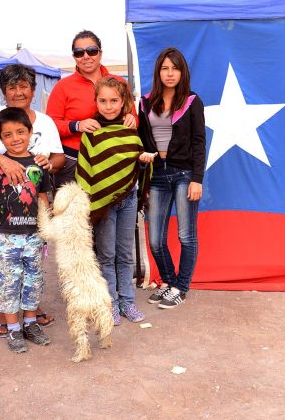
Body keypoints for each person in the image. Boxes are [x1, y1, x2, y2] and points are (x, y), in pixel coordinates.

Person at [0, 64, 63, 337]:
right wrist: (4, 161)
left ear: (33, 90)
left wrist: (48, 163)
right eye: (12, 87)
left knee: (32, 262)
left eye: (24, 86)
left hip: (34, 203)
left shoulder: (45, 121)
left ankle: (29, 315)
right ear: (3, 92)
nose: (18, 92)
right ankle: (4, 314)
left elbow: (58, 157)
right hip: (1, 207)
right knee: (1, 265)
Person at [76, 76, 153, 325]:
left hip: (129, 199)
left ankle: (128, 302)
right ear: (96, 102)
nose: (108, 106)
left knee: (125, 254)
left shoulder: (131, 129)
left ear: (124, 103)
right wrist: (88, 203)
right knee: (106, 255)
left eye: (114, 101)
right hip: (103, 205)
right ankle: (110, 304)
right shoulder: (92, 134)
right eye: (103, 101)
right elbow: (86, 171)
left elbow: (135, 158)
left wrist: (142, 162)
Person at [0, 108, 53, 353]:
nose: (15, 138)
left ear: (31, 132)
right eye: (7, 134)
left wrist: (47, 229)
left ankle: (30, 323)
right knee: (8, 282)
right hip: (4, 236)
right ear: (0, 138)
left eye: (21, 132)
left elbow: (43, 199)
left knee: (33, 280)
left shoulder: (39, 164)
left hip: (34, 236)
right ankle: (13, 328)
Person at [137, 48, 206, 309]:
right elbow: (141, 140)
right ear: (158, 71)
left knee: (186, 235)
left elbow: (199, 142)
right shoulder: (145, 102)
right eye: (165, 68)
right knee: (155, 238)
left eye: (174, 68)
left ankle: (180, 287)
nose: (169, 73)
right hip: (157, 174)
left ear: (182, 72)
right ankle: (168, 281)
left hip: (184, 174)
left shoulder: (192, 101)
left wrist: (197, 178)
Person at [46, 30, 138, 188]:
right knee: (72, 211)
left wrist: (132, 119)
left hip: (112, 159)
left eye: (92, 51)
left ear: (100, 53)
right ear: (74, 56)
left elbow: (133, 117)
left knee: (107, 211)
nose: (86, 56)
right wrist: (77, 125)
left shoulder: (119, 82)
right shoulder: (63, 86)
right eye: (79, 53)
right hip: (73, 161)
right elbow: (51, 124)